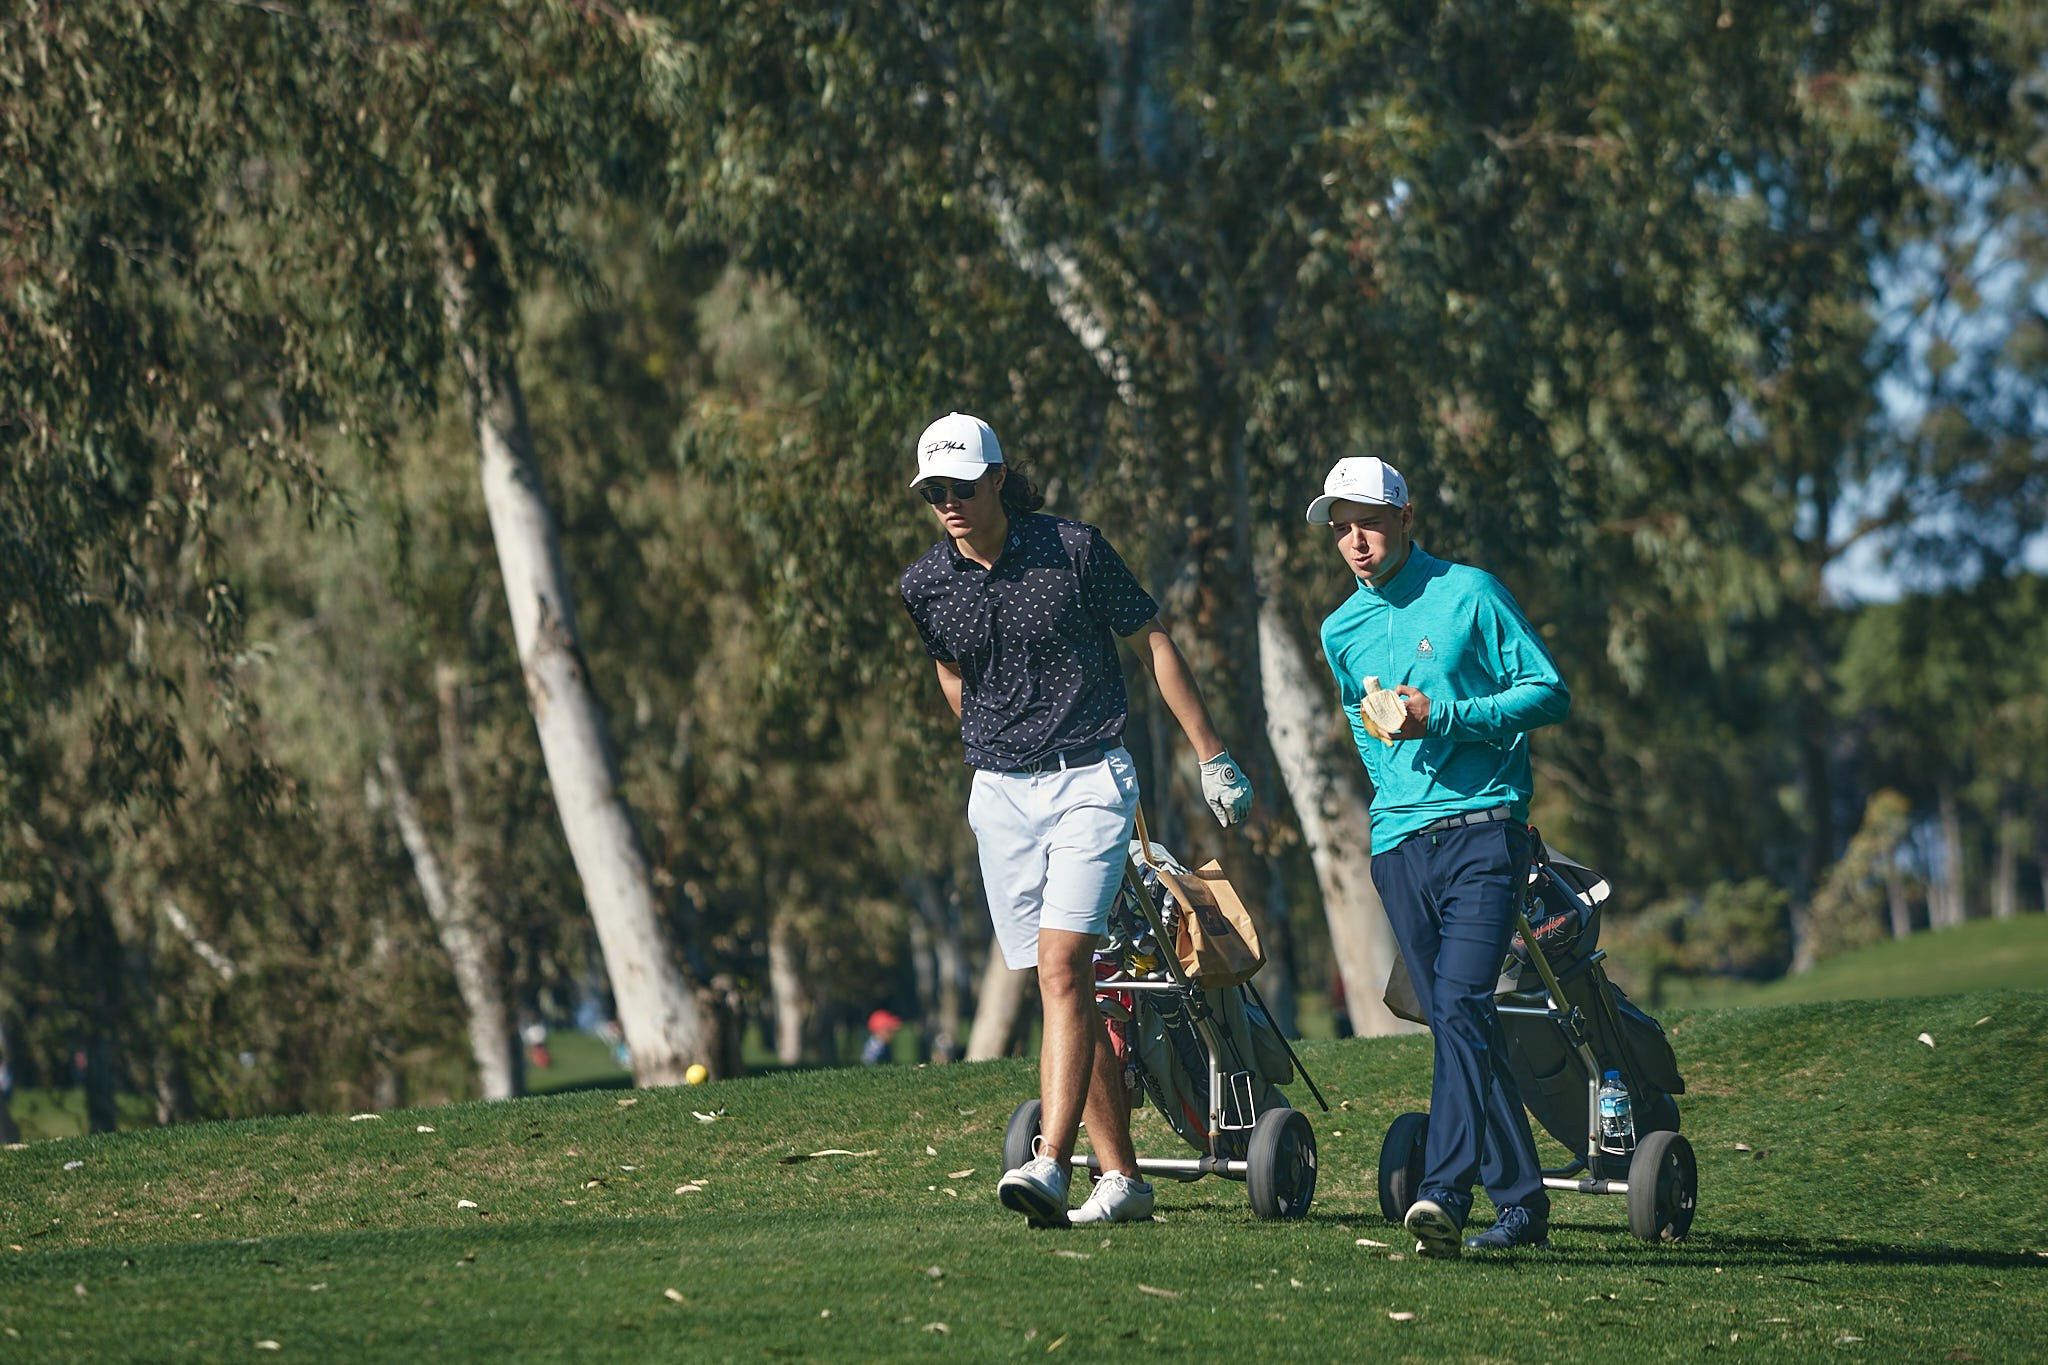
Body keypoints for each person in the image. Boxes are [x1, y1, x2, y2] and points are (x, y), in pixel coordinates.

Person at [900, 411, 1255, 1228]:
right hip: (998, 792)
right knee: (1060, 985)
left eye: (961, 485)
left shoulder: (1071, 549)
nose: (948, 501)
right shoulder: (925, 585)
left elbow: (1151, 638)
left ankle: (1052, 1162)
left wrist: (1211, 753)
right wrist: (986, 736)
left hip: (1088, 776)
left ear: (998, 478)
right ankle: (1123, 1176)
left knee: (1064, 967)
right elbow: (951, 674)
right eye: (934, 491)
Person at [1307, 454, 1569, 1257]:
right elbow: (1359, 717)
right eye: (1342, 527)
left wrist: (1442, 717)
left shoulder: (1471, 592)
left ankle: (1445, 1191)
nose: (1356, 540)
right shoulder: (1338, 629)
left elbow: (1548, 690)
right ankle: (1522, 1204)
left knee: (1458, 1003)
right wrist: (1389, 777)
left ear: (1405, 519)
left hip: (1485, 831)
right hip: (1399, 846)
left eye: (1370, 522)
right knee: (1459, 1018)